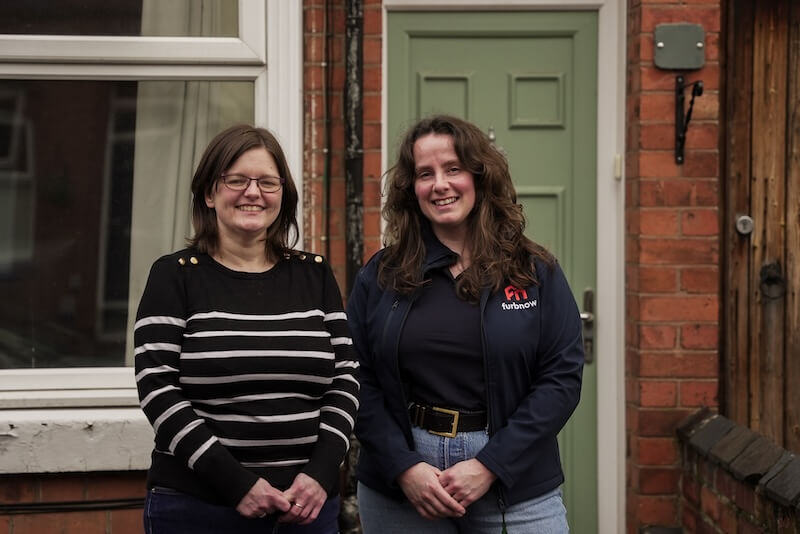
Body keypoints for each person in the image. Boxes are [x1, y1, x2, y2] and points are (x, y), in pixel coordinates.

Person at [346, 115, 584, 533]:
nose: (440, 184)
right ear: (411, 188)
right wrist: (404, 467)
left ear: (480, 176)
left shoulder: (533, 271)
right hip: (404, 483)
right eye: (425, 173)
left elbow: (561, 379)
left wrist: (491, 464)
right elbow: (354, 377)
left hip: (514, 479)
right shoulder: (382, 274)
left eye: (453, 169)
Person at [134, 124, 359, 534]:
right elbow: (157, 389)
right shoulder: (175, 276)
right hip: (198, 509)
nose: (252, 192)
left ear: (283, 196)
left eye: (267, 182)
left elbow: (345, 379)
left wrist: (322, 472)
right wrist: (237, 484)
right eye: (236, 180)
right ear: (209, 193)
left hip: (305, 509)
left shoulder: (315, 274)